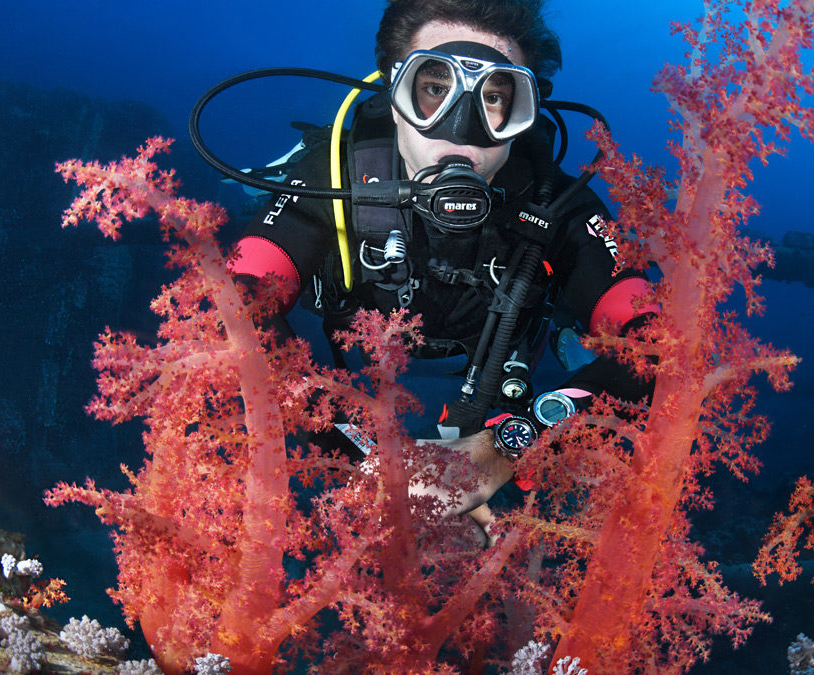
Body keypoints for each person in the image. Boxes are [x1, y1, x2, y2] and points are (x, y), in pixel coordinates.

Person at [227, 0, 655, 525]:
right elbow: (230, 305)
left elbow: (660, 344)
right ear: (394, 94)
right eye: (434, 88)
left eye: (494, 97)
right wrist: (367, 459)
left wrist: (511, 443)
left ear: (523, 114)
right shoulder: (330, 177)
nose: (460, 128)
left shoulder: (561, 209)